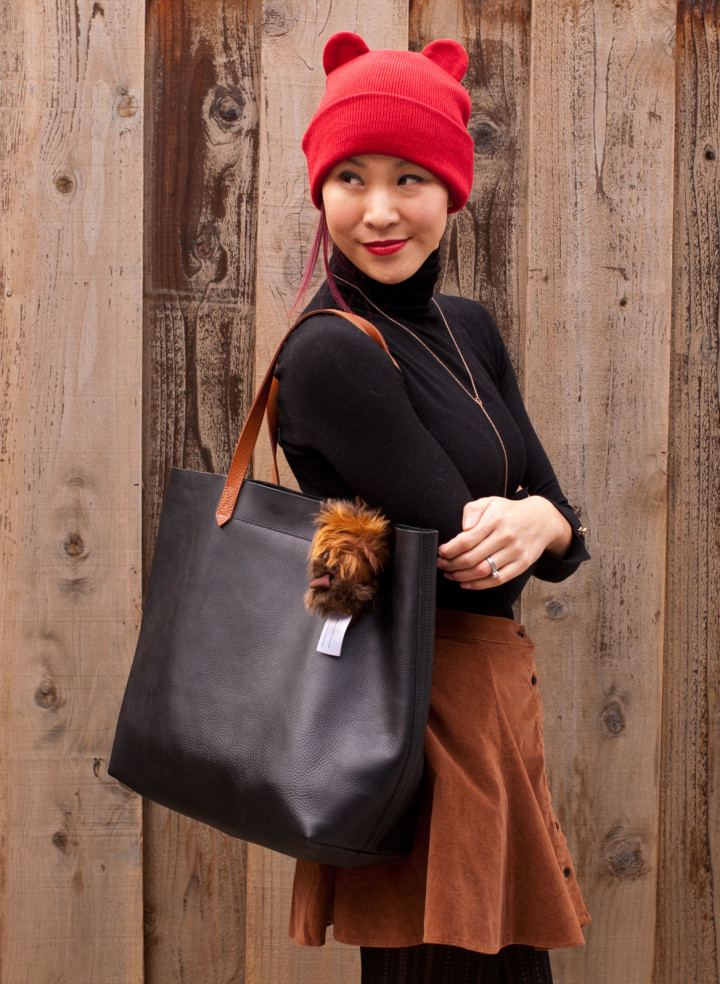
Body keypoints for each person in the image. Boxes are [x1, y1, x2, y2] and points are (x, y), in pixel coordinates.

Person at [273, 31, 591, 984]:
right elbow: (472, 553)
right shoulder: (329, 353)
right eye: (351, 179)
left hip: (490, 711)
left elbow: (555, 527)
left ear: (453, 189)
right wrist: (530, 522)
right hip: (412, 726)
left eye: (410, 177)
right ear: (320, 191)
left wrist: (546, 520)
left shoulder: (470, 328)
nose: (378, 211)